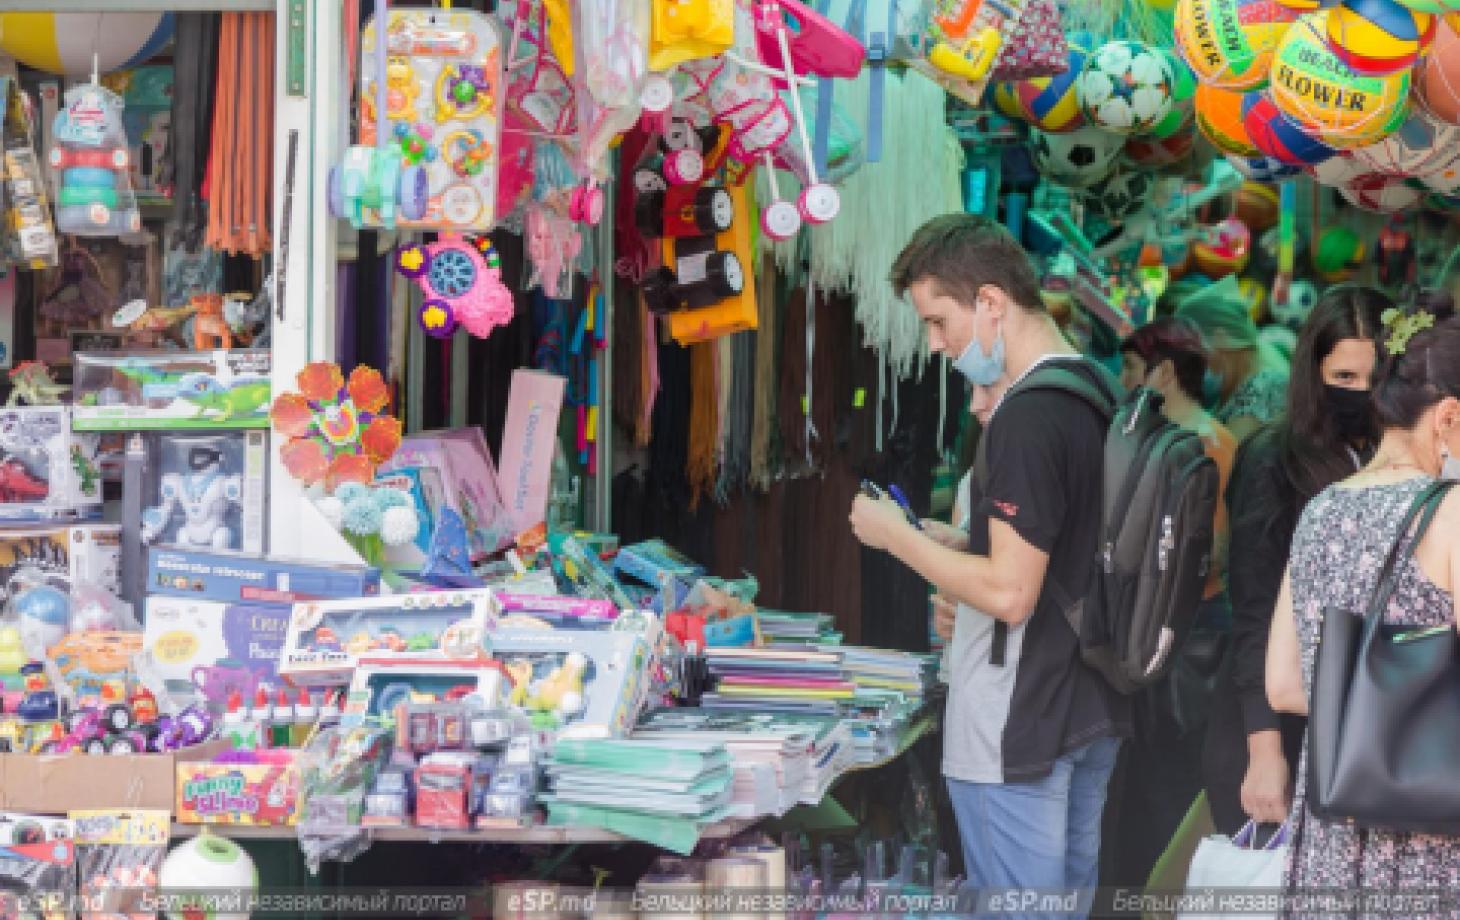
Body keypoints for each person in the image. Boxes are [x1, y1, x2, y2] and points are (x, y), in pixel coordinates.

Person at [849, 213, 1128, 907]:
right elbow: (1059, 546)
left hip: (1021, 724)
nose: (937, 345)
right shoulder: (1096, 390)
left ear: (992, 303)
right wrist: (957, 543)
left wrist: (896, 538)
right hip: (1089, 706)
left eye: (939, 321)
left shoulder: (1027, 417)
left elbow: (1009, 591)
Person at [1266, 292, 1460, 901]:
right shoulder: (1451, 513)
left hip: (1332, 835)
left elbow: (1284, 685)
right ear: (1447, 418)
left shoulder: (1321, 508)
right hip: (1428, 839)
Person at [1202, 285, 1390, 835]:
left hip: (1360, 721)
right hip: (1274, 725)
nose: (1361, 393)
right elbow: (1254, 614)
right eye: (1344, 379)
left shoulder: (1402, 455)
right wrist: (1264, 751)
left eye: (1374, 379)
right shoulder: (1271, 461)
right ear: (1315, 374)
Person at [1103, 318, 1238, 885]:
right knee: (1143, 777)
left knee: (1167, 778)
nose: (1123, 379)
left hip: (1189, 632)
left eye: (1132, 368)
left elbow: (1220, 551)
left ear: (1164, 372)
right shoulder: (1152, 438)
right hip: (1159, 628)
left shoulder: (1208, 446)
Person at [1176, 275, 1290, 441]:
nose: (1192, 367)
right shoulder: (1237, 383)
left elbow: (1226, 458)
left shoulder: (1264, 387)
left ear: (1219, 337)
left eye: (1194, 354)